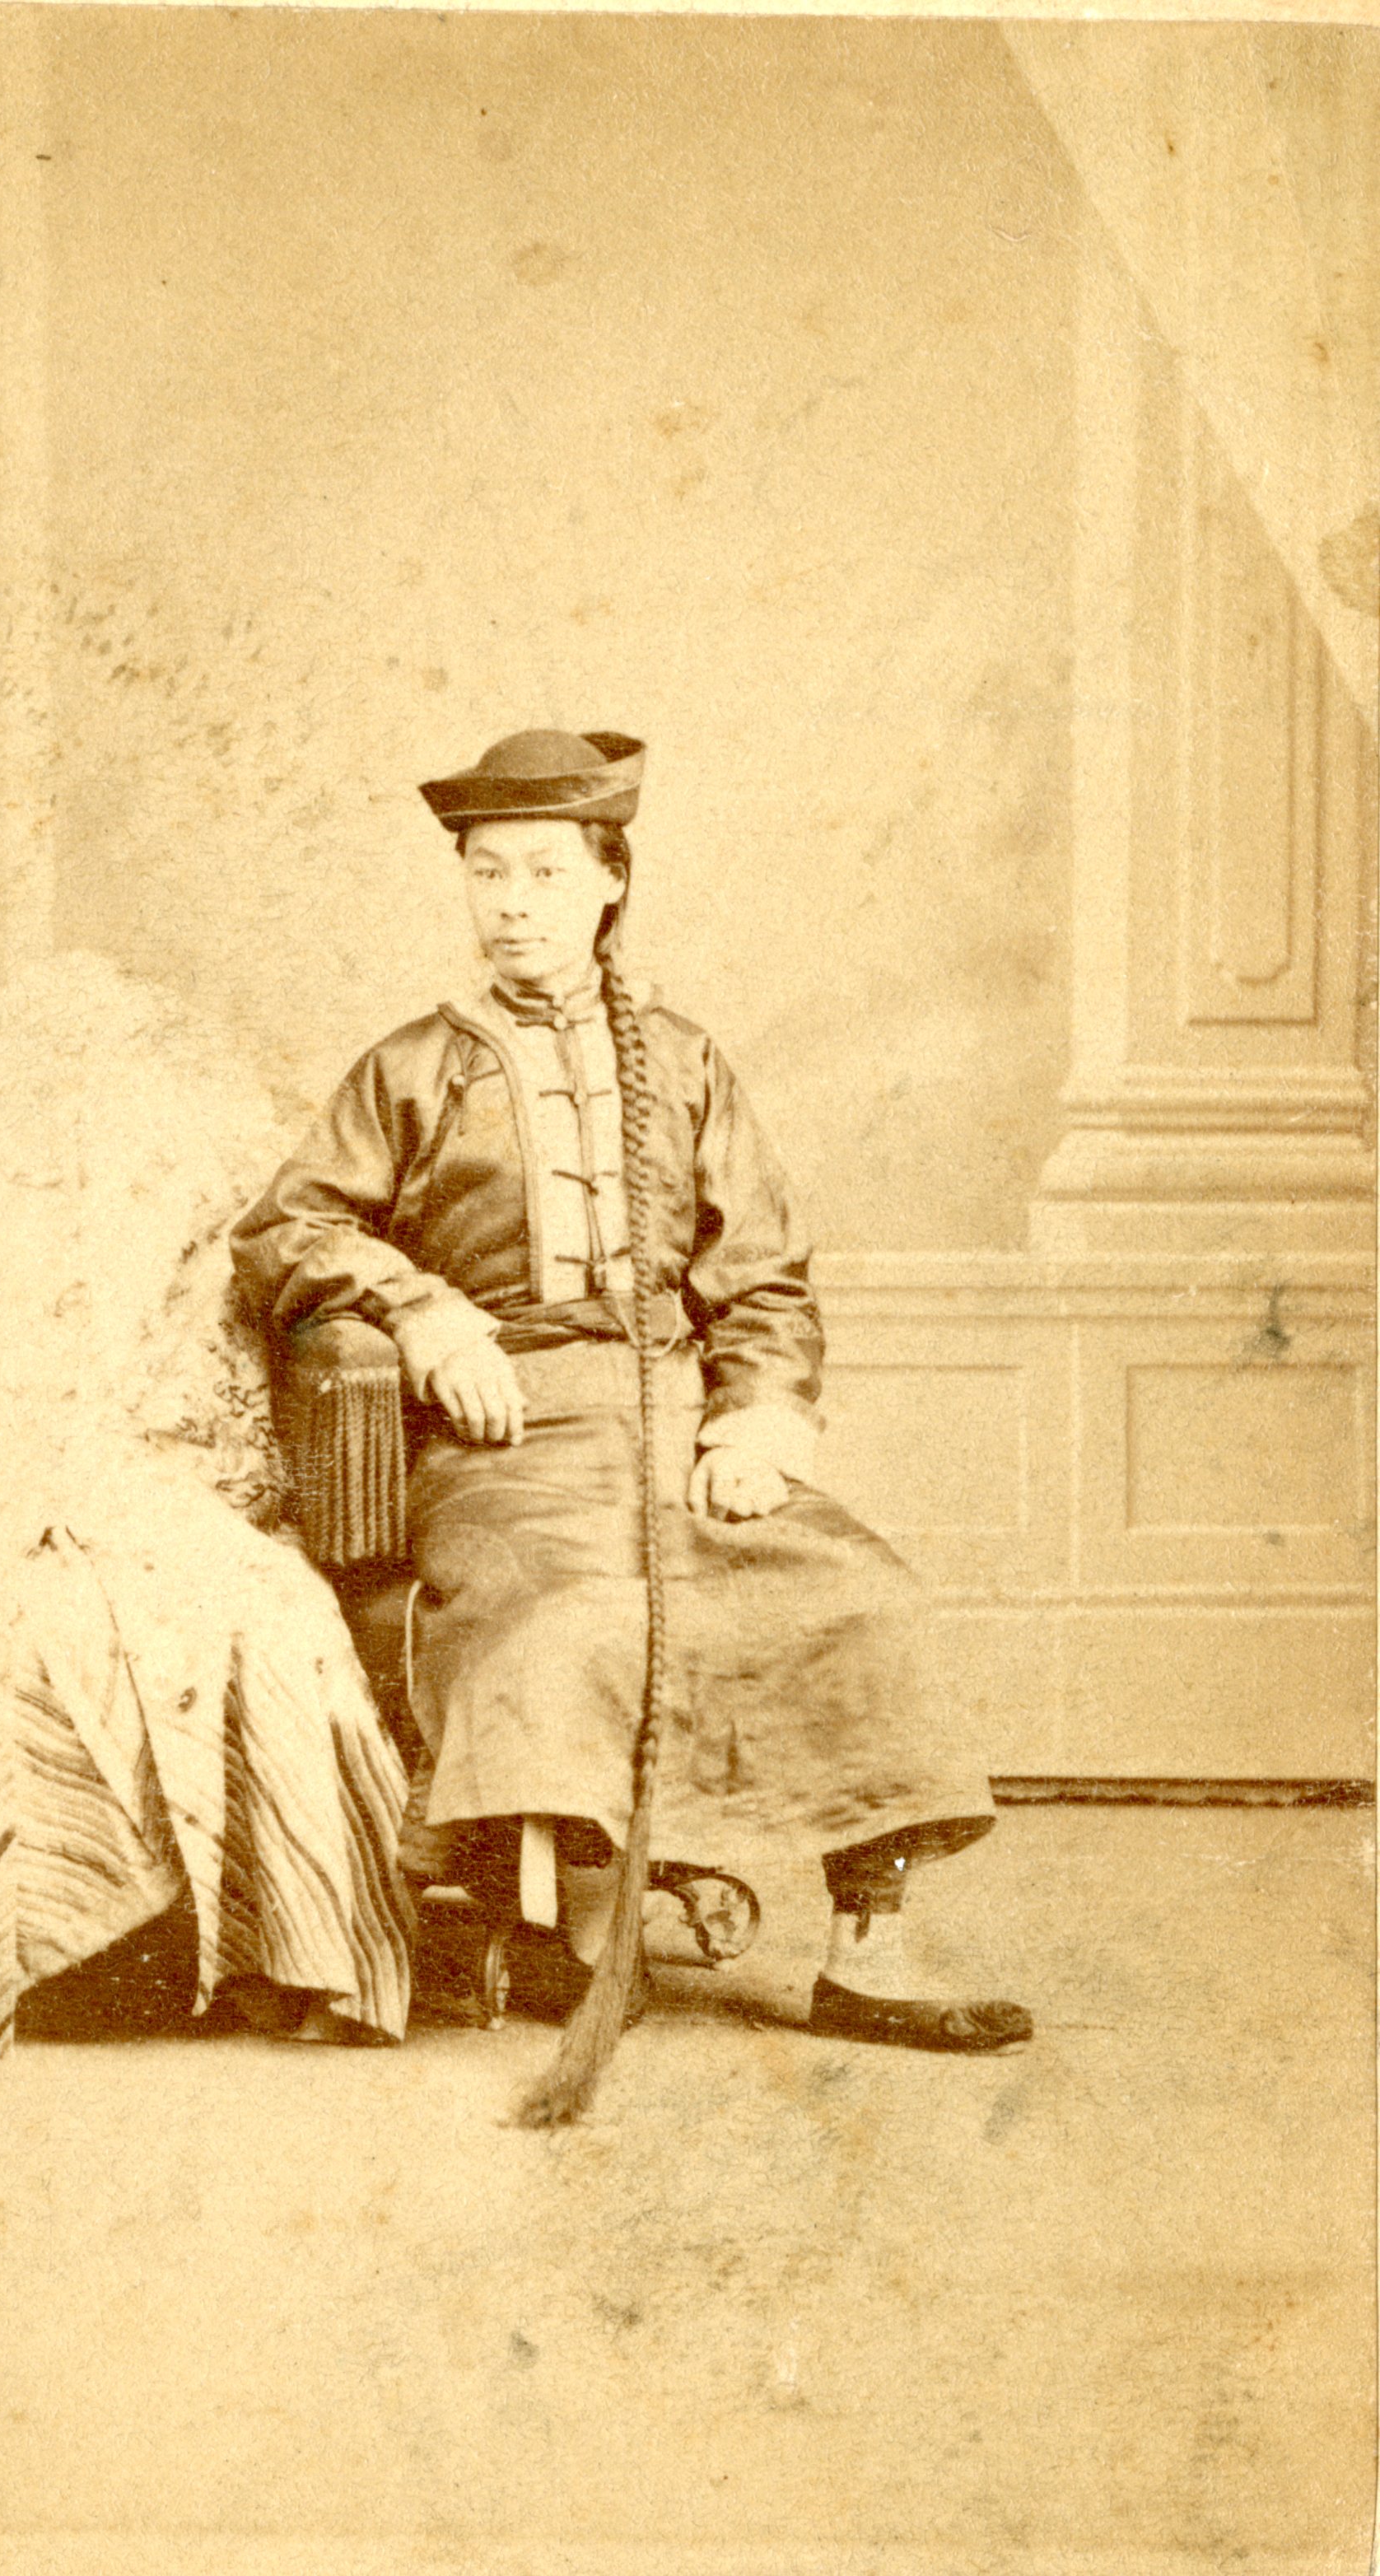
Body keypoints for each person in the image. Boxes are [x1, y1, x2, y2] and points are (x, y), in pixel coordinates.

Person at [232, 730, 1030, 2052]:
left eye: (544, 874)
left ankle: (871, 1949)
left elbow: (764, 1276)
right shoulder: (413, 1067)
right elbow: (287, 1231)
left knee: (854, 1592)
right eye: (488, 875)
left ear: (609, 881)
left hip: (676, 1427)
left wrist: (755, 1421)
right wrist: (426, 1315)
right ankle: (556, 1912)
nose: (512, 906)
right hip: (502, 1437)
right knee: (568, 1609)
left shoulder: (687, 1061)